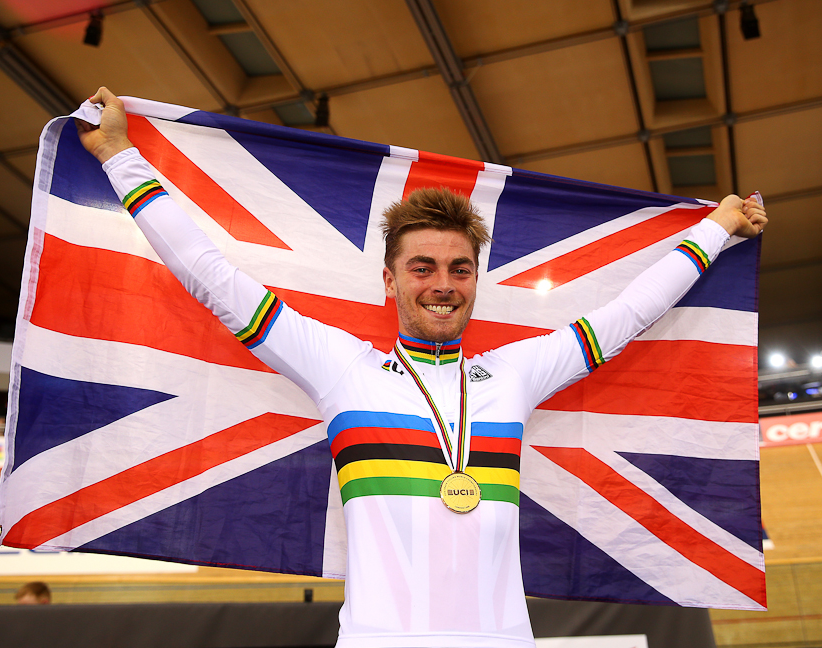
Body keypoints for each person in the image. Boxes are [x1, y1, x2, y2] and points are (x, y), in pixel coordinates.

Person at [77, 87, 766, 648]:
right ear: (390, 281)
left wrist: (717, 227)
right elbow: (212, 277)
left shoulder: (515, 374)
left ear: (475, 280)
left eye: (459, 269)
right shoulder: (341, 367)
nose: (443, 283)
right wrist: (118, 154)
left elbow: (628, 314)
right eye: (424, 268)